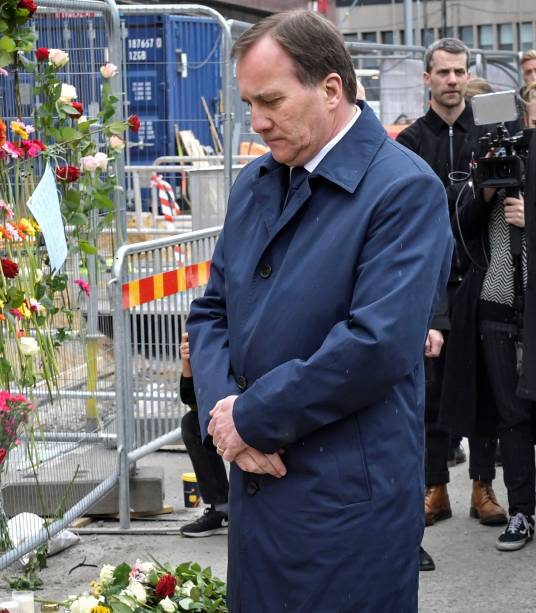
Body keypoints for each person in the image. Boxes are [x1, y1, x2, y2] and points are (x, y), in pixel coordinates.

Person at [187, 10, 452, 611]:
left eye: (272, 101)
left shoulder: (403, 190)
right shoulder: (258, 182)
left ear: (331, 89)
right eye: (249, 103)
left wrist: (250, 417)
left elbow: (376, 343)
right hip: (258, 482)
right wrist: (224, 419)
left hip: (346, 503)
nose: (256, 123)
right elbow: (211, 314)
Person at [395, 38, 507, 571]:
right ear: (427, 78)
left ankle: (482, 488)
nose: (453, 80)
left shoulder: (487, 135)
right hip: (432, 282)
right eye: (443, 72)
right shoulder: (411, 141)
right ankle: (434, 488)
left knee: (487, 387)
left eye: (460, 71)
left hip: (484, 274)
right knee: (431, 393)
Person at [442, 85, 536, 552]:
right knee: (511, 416)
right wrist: (487, 192)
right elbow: (459, 229)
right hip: (495, 306)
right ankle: (521, 511)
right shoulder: (481, 170)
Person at [177, 331, 230, 537]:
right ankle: (222, 508)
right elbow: (189, 398)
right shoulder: (208, 328)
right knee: (193, 424)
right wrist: (187, 362)